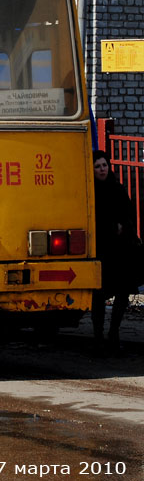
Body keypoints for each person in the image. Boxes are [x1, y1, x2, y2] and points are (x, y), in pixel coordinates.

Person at [91, 149, 137, 350]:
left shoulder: (117, 188)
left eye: (104, 165)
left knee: (123, 292)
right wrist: (110, 227)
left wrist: (123, 226)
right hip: (101, 251)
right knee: (99, 295)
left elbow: (128, 215)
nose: (102, 169)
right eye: (97, 166)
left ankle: (114, 332)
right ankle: (98, 335)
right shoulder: (90, 192)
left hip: (120, 251)